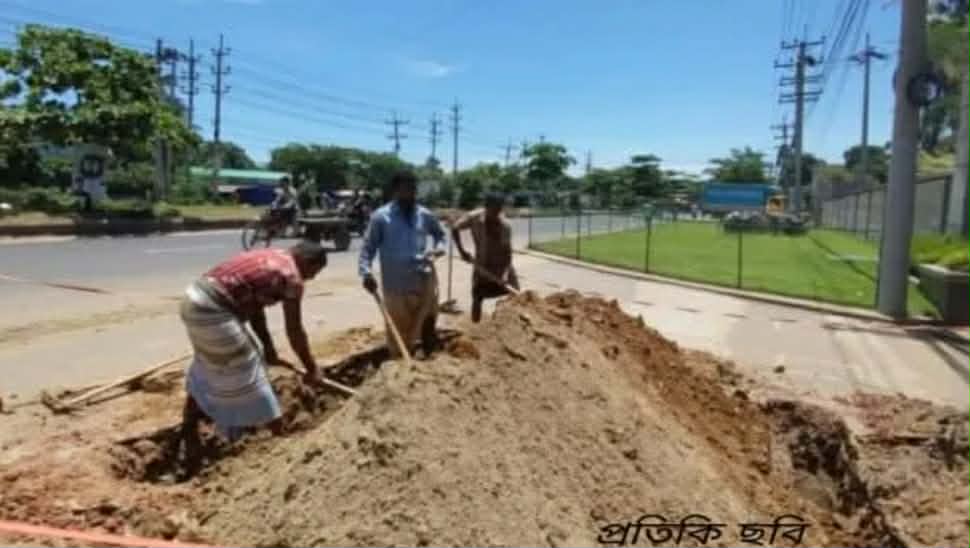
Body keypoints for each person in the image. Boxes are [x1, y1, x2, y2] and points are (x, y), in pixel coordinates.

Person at [177, 241, 327, 469]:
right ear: (308, 263)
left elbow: (256, 310)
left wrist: (270, 351)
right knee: (249, 366)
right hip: (213, 309)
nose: (310, 279)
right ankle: (281, 438)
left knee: (210, 363)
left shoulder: (272, 255)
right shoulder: (292, 276)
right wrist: (311, 368)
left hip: (193, 299)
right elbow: (294, 330)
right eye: (313, 273)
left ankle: (189, 423)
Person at [359, 171, 446, 358]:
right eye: (406, 189)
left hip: (424, 280)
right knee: (398, 331)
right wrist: (366, 273)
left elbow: (441, 235)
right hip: (396, 286)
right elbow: (368, 249)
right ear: (395, 190)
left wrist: (439, 249)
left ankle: (426, 365)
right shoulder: (381, 217)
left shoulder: (424, 214)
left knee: (426, 326)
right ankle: (399, 371)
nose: (411, 193)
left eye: (413, 189)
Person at [452, 192, 519, 323]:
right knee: (477, 297)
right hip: (482, 265)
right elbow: (455, 228)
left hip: (501, 266)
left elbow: (507, 253)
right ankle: (475, 327)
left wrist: (505, 274)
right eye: (494, 209)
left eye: (499, 209)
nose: (497, 213)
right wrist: (462, 251)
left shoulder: (505, 226)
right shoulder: (474, 217)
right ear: (486, 207)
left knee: (516, 295)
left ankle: (512, 325)